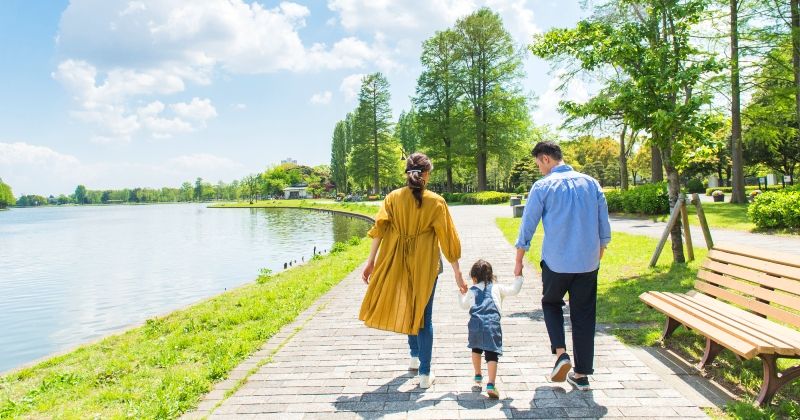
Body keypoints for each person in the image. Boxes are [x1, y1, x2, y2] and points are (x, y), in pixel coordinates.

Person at [359, 152, 466, 389]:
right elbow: (448, 240)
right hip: (426, 264)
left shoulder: (392, 198)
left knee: (410, 308)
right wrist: (458, 272)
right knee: (424, 316)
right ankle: (425, 373)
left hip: (397, 259)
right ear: (426, 174)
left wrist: (371, 261)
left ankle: (415, 357)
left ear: (407, 173)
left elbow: (379, 229)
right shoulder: (436, 201)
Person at [514, 141, 611, 391]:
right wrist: (596, 256)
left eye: (538, 164)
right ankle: (581, 375)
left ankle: (561, 354)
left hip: (557, 263)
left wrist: (518, 261)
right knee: (584, 314)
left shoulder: (543, 186)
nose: (539, 169)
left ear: (546, 158)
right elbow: (604, 227)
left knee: (551, 303)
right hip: (588, 263)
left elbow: (528, 225)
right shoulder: (591, 183)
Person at [458, 259, 524, 399]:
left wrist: (462, 293)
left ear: (474, 277)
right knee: (491, 354)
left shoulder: (472, 290)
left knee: (475, 348)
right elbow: (514, 290)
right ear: (490, 275)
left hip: (475, 323)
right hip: (492, 324)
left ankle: (477, 374)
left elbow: (464, 306)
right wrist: (519, 276)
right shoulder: (496, 287)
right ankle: (491, 384)